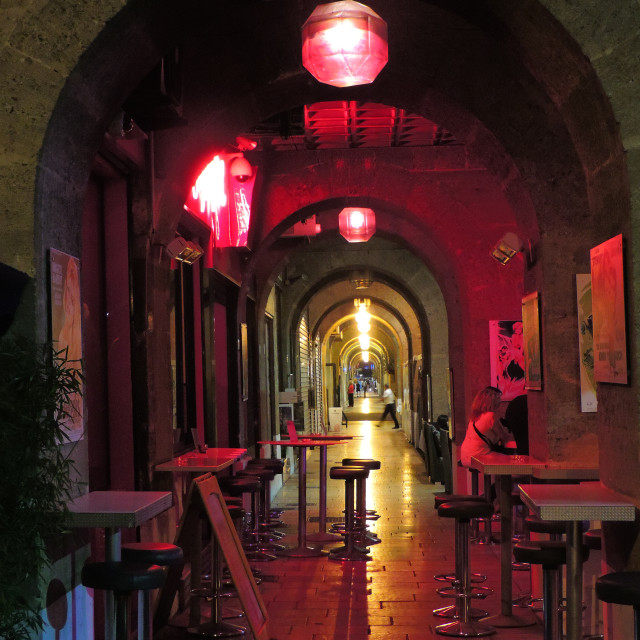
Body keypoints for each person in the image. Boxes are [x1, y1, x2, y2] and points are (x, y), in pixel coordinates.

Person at [459, 386, 515, 468]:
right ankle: (504, 481)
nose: (500, 401)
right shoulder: (491, 416)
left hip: (465, 456)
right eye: (498, 398)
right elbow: (505, 437)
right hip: (478, 456)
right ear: (492, 401)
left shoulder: (475, 416)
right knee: (508, 461)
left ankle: (495, 481)